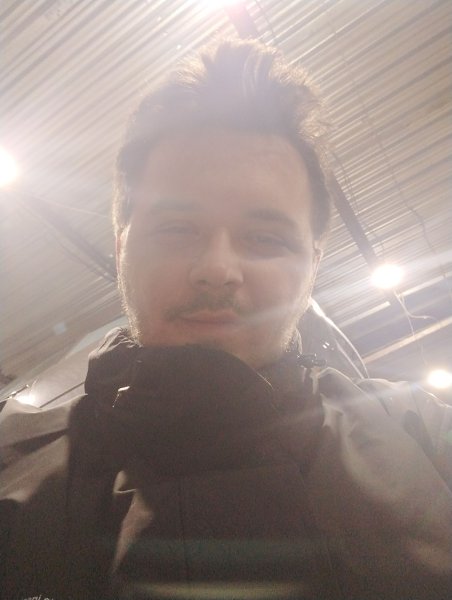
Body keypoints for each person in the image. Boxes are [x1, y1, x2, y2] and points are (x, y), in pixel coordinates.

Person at [0, 38, 451, 600]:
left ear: (313, 266)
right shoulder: (11, 463)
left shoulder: (425, 438)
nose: (217, 269)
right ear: (121, 250)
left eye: (264, 238)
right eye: (176, 229)